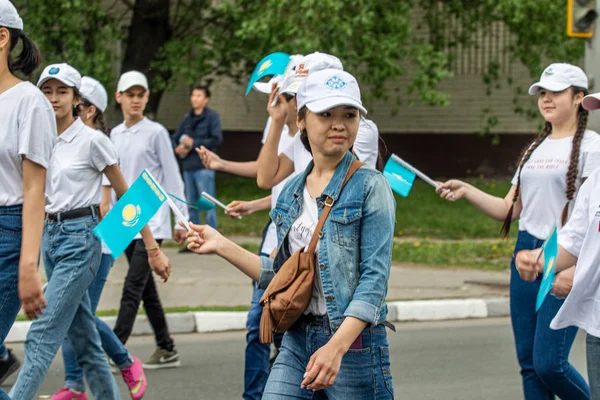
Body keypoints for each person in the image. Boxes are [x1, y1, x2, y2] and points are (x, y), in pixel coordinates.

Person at [187, 69, 396, 399]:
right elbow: (280, 277)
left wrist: (336, 348)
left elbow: (374, 282)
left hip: (354, 348)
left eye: (349, 114)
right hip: (298, 339)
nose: (339, 124)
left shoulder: (372, 187)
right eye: (325, 114)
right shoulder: (290, 193)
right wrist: (220, 244)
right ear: (301, 120)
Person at [437, 63, 599, 399]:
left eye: (555, 92)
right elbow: (509, 209)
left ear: (579, 97)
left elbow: (589, 218)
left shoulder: (592, 148)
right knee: (528, 363)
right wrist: (467, 191)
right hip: (526, 252)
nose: (546, 99)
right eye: (542, 92)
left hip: (564, 253)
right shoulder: (534, 149)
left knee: (549, 364)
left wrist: (573, 266)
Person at [9, 62, 170, 399]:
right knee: (84, 339)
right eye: (47, 91)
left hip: (81, 239)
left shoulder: (92, 140)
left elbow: (129, 196)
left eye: (62, 92)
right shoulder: (36, 137)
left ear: (77, 99)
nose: (53, 98)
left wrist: (152, 247)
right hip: (49, 240)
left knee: (42, 332)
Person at [197, 55, 304, 400]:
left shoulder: (309, 137)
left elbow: (293, 188)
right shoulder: (277, 129)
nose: (273, 102)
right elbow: (268, 177)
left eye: (280, 96)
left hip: (297, 246)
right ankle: (254, 395)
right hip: (272, 237)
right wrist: (252, 203)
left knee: (284, 327)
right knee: (257, 324)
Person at [50, 76, 150, 400]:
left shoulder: (96, 142)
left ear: (88, 110)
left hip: (97, 242)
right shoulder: (66, 140)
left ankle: (122, 362)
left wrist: (149, 242)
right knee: (74, 316)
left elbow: (114, 202)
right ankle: (76, 384)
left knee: (79, 316)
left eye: (73, 102)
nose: (60, 106)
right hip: (73, 242)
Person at [111, 70, 189, 369]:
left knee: (132, 287)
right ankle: (166, 348)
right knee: (145, 289)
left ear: (146, 98)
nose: (135, 100)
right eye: (129, 95)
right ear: (119, 98)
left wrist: (182, 220)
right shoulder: (115, 135)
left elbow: (172, 178)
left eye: (140, 95)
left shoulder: (156, 132)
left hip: (151, 219)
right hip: (123, 219)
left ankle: (115, 350)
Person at [0, 2, 55, 396]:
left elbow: (34, 188)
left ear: (2, 37)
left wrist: (28, 266)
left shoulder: (28, 102)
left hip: (9, 233)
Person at [254, 52, 380, 192]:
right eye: (297, 94)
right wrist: (277, 121)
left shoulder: (360, 130)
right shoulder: (305, 137)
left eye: (304, 92)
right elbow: (266, 179)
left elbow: (338, 187)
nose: (297, 101)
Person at [172, 85, 222, 235]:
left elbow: (216, 140)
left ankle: (213, 237)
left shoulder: (212, 117)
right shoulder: (187, 117)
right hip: (188, 167)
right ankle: (194, 237)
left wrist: (193, 143)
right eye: (193, 95)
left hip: (203, 167)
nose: (195, 98)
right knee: (191, 204)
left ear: (206, 99)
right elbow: (175, 137)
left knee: (207, 204)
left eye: (199, 95)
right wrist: (177, 148)